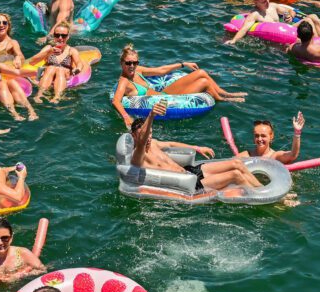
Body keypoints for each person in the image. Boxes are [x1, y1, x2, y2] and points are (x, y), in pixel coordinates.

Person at [131, 101, 262, 192]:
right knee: (235, 175)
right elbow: (142, 140)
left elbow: (171, 144)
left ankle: (263, 188)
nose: (148, 137)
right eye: (145, 134)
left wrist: (197, 147)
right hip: (189, 184)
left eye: (150, 134)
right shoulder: (137, 155)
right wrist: (151, 115)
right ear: (134, 136)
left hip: (190, 171)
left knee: (237, 164)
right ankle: (263, 196)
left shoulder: (153, 143)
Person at [113, 44, 247, 128]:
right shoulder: (124, 81)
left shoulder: (138, 70)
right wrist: (126, 117)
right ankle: (222, 99)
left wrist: (183, 64)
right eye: (128, 63)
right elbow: (116, 101)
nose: (132, 66)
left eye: (134, 62)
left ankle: (226, 93)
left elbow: (161, 70)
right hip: (168, 99)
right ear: (121, 63)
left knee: (201, 72)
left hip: (165, 92)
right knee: (204, 83)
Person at [227, 0, 320, 45]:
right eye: (263, 1)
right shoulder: (255, 14)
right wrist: (234, 40)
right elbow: (244, 29)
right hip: (280, 35)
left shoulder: (273, 6)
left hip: (286, 28)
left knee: (313, 16)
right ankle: (316, 44)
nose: (267, 2)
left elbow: (291, 11)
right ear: (256, 2)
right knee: (308, 21)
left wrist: (290, 16)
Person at [26, 22, 85, 103]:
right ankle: (40, 94)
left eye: (63, 36)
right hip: (48, 74)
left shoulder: (71, 50)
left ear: (68, 37)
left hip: (64, 75)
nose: (60, 38)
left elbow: (79, 62)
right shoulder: (49, 48)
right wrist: (49, 52)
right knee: (51, 68)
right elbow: (32, 62)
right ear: (54, 36)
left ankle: (57, 96)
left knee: (60, 70)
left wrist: (78, 69)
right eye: (57, 35)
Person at [237, 113, 305, 164]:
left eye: (263, 136)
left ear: (271, 137)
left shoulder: (275, 157)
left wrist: (297, 132)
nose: (260, 139)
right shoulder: (248, 155)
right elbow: (228, 163)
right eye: (257, 136)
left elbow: (293, 155)